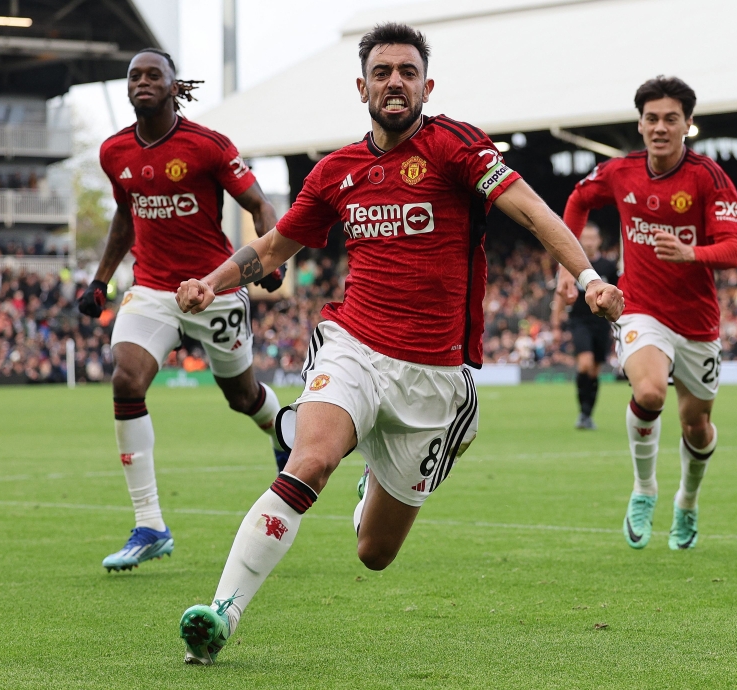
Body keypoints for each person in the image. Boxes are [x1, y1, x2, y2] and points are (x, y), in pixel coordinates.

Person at [172, 23, 624, 665]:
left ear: (426, 85)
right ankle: (222, 612)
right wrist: (210, 282)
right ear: (362, 86)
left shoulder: (455, 147)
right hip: (353, 345)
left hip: (434, 376)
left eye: (407, 72)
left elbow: (531, 210)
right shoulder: (336, 172)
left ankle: (372, 482)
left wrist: (588, 278)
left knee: (374, 554)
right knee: (310, 463)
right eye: (382, 71)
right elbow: (274, 247)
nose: (394, 82)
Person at [79, 48, 285, 574]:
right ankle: (149, 525)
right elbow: (126, 219)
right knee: (126, 381)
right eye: (134, 76)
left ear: (174, 87)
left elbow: (260, 205)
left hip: (213, 287)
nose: (142, 82)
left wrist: (268, 259)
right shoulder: (114, 151)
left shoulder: (207, 146)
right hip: (150, 289)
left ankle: (284, 430)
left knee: (242, 398)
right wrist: (100, 280)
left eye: (154, 75)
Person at [560, 75, 737, 551]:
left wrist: (693, 254)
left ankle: (687, 499)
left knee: (696, 426)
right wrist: (570, 264)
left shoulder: (708, 177)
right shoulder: (621, 171)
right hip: (640, 308)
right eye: (651, 118)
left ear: (687, 125)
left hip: (698, 323)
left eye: (671, 119)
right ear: (640, 125)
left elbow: (733, 249)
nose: (660, 127)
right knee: (648, 392)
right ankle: (645, 488)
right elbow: (579, 199)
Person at [554, 224, 618, 429]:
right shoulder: (573, 266)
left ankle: (587, 414)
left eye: (592, 238)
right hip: (579, 322)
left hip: (602, 325)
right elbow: (561, 295)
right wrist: (556, 323)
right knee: (584, 364)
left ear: (599, 241)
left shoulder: (609, 266)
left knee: (594, 371)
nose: (589, 242)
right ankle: (583, 413)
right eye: (585, 238)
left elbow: (619, 294)